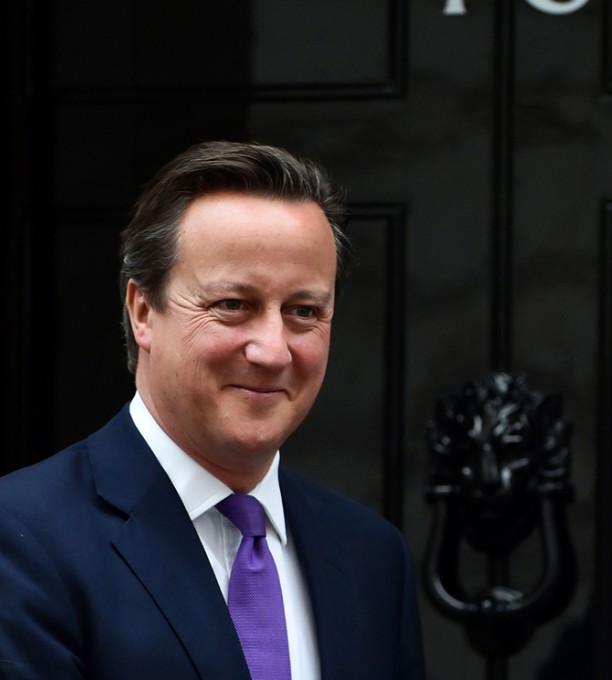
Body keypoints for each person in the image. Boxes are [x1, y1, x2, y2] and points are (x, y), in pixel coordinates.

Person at [0, 141, 426, 679]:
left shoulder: (371, 555)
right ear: (142, 312)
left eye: (304, 310)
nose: (273, 351)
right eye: (232, 305)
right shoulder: (21, 539)